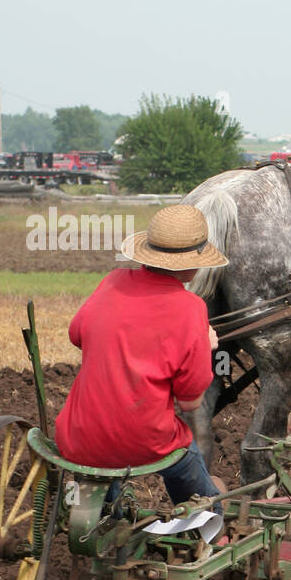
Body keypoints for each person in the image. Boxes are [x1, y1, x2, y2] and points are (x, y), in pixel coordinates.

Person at [54, 204, 229, 511]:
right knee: (184, 452)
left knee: (99, 459)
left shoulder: (113, 281)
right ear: (194, 265)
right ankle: (204, 521)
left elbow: (77, 335)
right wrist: (204, 345)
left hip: (77, 436)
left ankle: (99, 516)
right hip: (143, 442)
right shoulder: (191, 309)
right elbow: (190, 403)